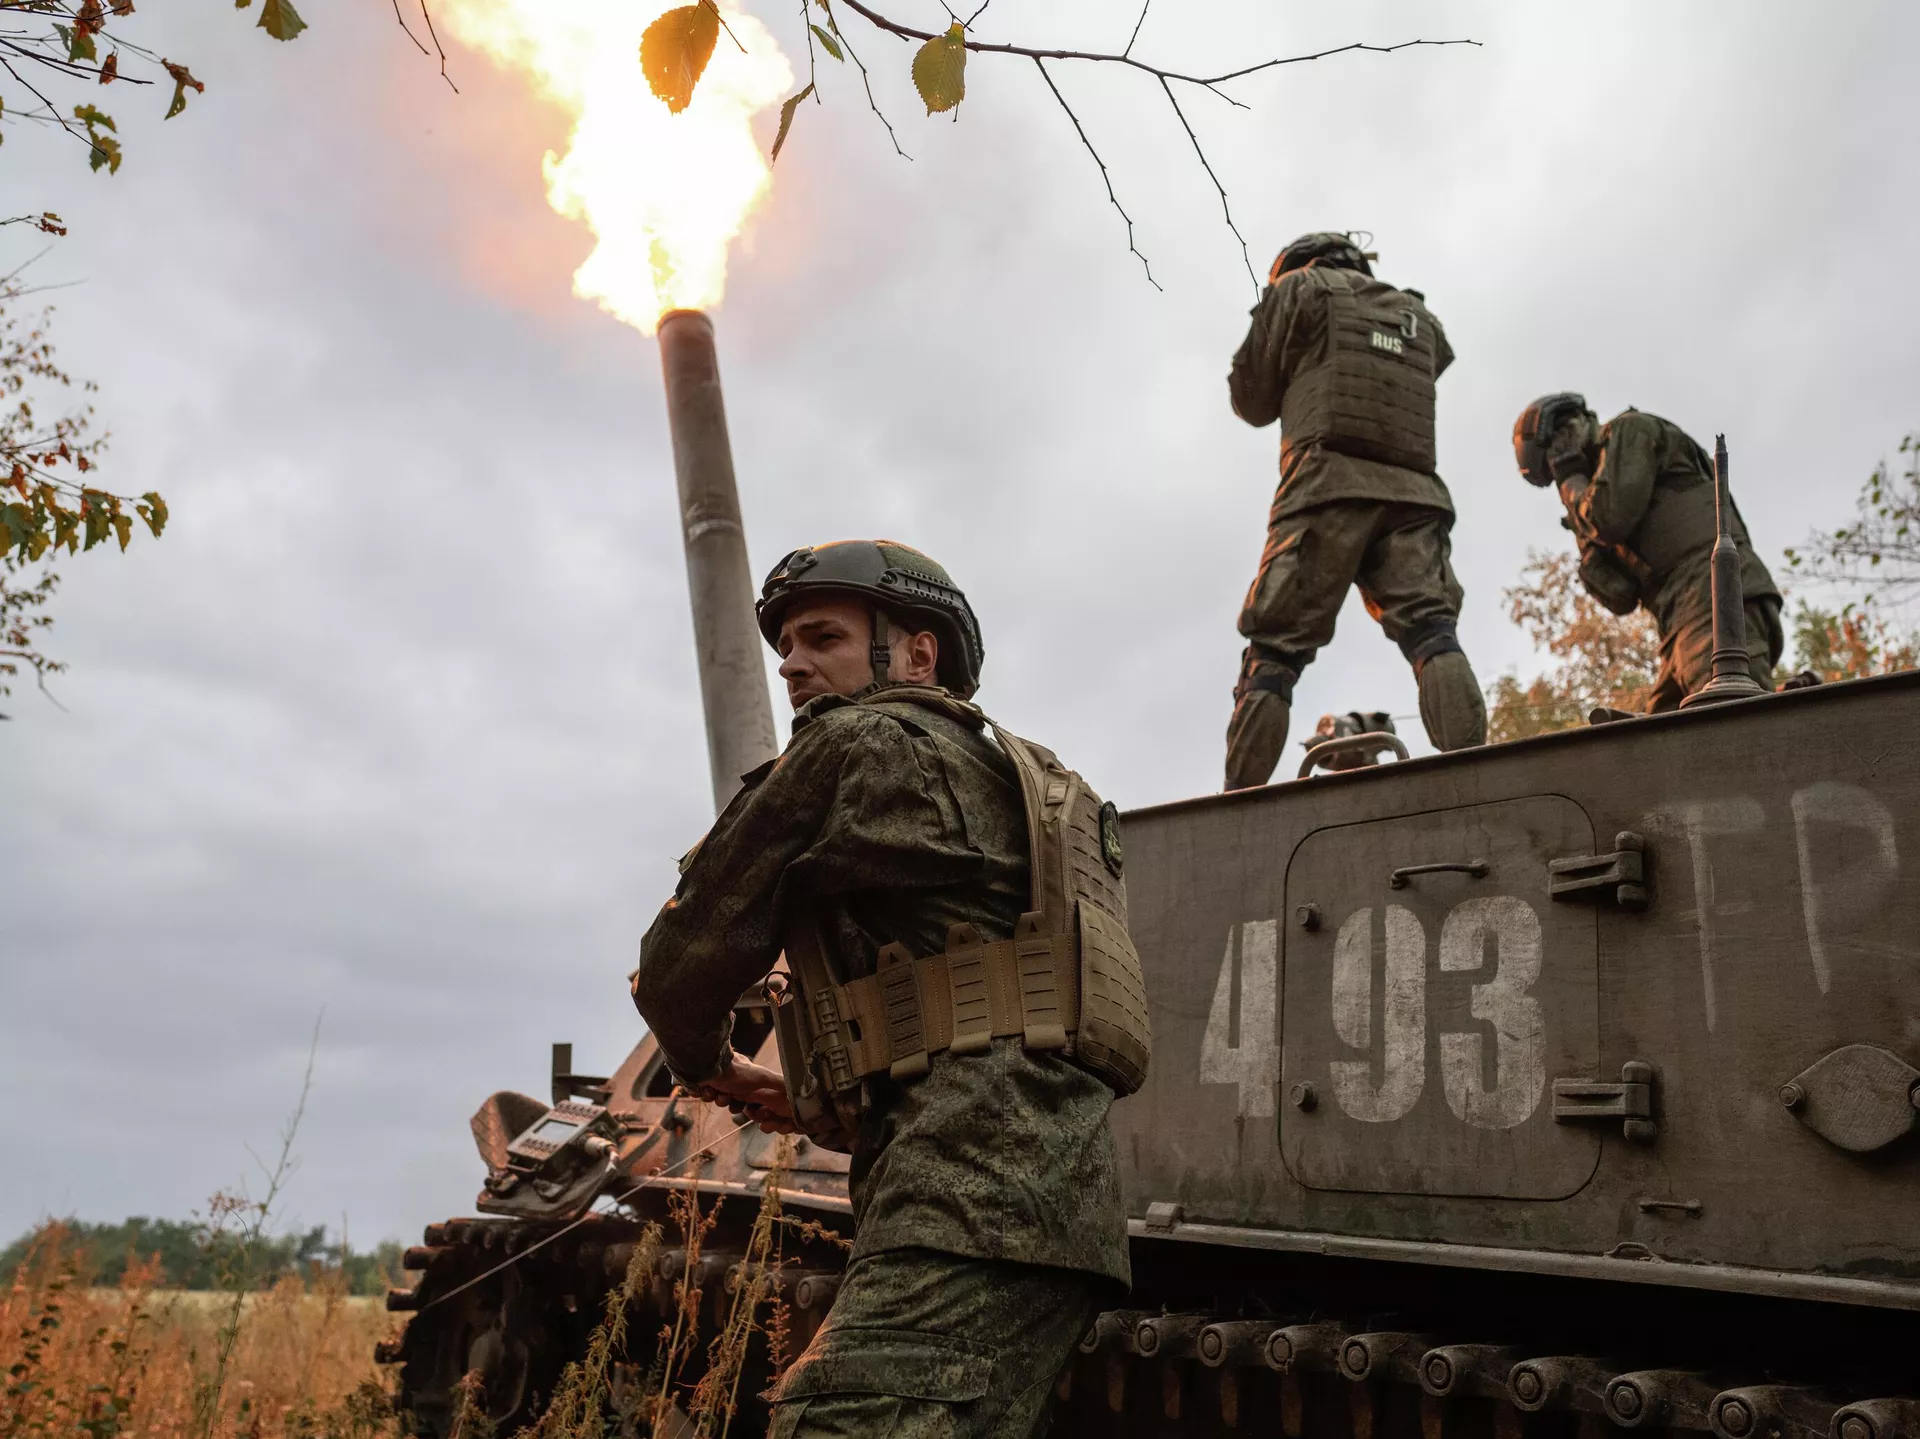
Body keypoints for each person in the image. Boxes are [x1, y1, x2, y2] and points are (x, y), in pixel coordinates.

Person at [630, 539, 1147, 1439]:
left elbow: (680, 963)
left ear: (917, 653)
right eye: (785, 646)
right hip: (1059, 1215)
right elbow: (976, 1014)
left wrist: (708, 1064)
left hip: (955, 1210)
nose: (791, 665)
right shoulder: (1028, 783)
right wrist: (803, 1091)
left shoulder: (855, 744)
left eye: (822, 637)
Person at [1225, 231, 1486, 791]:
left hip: (1323, 486)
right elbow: (1429, 365)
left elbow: (1251, 400)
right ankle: (1480, 780)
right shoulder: (1419, 317)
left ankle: (1238, 804)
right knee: (1433, 633)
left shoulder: (1299, 289)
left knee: (1274, 651)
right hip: (1415, 496)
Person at [1512, 395, 1782, 709]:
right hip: (1679, 620)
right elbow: (1620, 595)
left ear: (1573, 423)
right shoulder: (1595, 490)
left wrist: (1572, 482)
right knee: (1658, 731)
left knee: (1732, 719)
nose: (1560, 462)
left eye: (1559, 448)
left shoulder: (1630, 431)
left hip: (1712, 596)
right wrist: (1583, 536)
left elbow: (1611, 517)